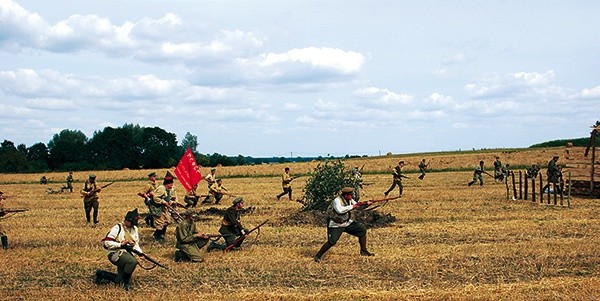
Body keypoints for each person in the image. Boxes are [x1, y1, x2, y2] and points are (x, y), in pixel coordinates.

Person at [313, 187, 374, 262]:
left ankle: (363, 251)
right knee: (332, 242)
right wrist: (352, 206)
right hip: (336, 224)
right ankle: (318, 255)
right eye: (349, 195)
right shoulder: (337, 201)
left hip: (347, 222)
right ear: (345, 195)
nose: (351, 196)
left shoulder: (350, 200)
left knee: (362, 231)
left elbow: (357, 207)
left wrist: (366, 205)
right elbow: (340, 210)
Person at [96, 208, 145, 290]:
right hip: (114, 253)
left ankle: (102, 274)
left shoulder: (134, 229)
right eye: (131, 223)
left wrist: (140, 253)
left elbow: (135, 243)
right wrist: (120, 244)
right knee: (132, 262)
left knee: (118, 280)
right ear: (127, 220)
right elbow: (107, 243)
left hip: (126, 253)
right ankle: (125, 283)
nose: (132, 225)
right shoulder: (117, 228)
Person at [148, 171, 178, 243]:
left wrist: (172, 202)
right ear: (167, 184)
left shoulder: (169, 190)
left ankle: (160, 235)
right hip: (157, 207)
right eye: (171, 184)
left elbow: (168, 199)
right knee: (160, 223)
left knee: (167, 221)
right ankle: (158, 237)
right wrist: (163, 202)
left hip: (163, 207)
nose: (172, 185)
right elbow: (155, 198)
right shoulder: (162, 189)